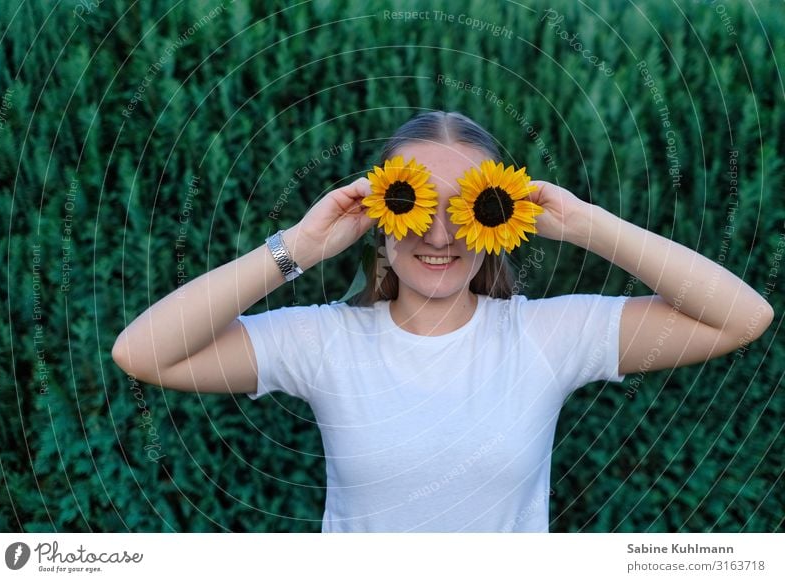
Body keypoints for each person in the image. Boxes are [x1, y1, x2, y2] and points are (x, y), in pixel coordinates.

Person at [112, 111, 774, 532]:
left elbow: (743, 317)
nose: (439, 232)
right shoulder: (325, 342)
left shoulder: (544, 339)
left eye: (470, 207)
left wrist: (586, 226)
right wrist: (299, 249)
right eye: (411, 200)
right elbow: (142, 352)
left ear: (500, 219)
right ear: (377, 216)